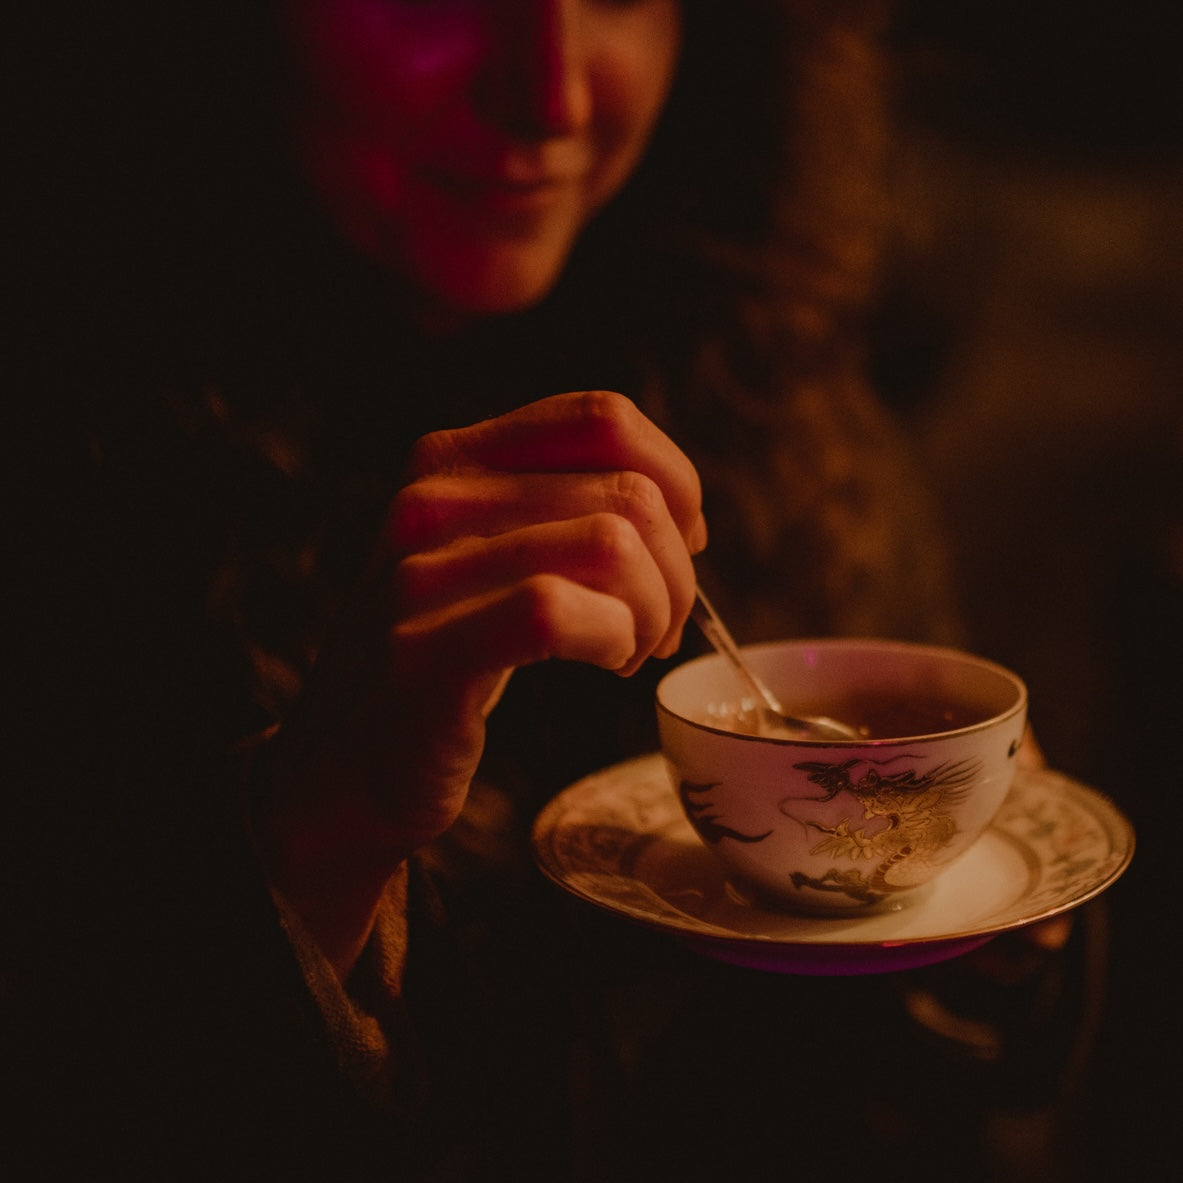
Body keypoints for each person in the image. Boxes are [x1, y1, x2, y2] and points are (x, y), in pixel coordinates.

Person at [7, 2, 1097, 1178]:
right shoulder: (66, 453)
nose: (553, 100)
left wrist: (979, 945)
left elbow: (884, 1110)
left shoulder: (764, 380)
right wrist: (316, 835)